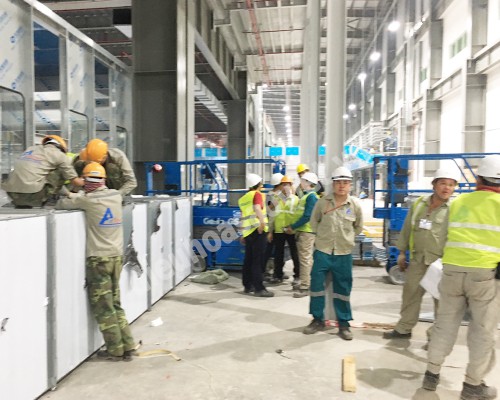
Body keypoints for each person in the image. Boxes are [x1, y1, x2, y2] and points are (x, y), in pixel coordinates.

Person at [422, 155, 500, 400]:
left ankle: (431, 374)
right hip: (485, 276)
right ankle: (472, 385)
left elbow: (444, 236)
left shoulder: (457, 203)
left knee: (445, 324)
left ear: (478, 180)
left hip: (452, 271)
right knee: (482, 331)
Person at [56, 162, 136, 361]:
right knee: (115, 303)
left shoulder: (88, 200)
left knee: (104, 307)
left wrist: (65, 191)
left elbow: (62, 204)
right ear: (103, 179)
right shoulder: (115, 196)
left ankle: (114, 350)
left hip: (99, 260)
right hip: (116, 257)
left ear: (86, 181)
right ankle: (128, 345)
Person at [383, 168, 459, 342]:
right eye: (443, 183)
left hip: (440, 263)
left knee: (441, 301)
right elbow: (407, 228)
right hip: (417, 260)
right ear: (434, 185)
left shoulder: (455, 208)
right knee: (410, 295)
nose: (447, 188)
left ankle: (436, 336)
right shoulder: (419, 204)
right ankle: (404, 328)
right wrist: (401, 252)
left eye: (451, 185)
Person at [302, 166, 363, 340]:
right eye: (338, 182)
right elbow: (314, 223)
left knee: (343, 289)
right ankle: (317, 319)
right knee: (316, 286)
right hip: (322, 252)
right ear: (333, 184)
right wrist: (323, 238)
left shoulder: (355, 205)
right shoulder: (322, 203)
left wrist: (346, 239)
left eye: (345, 182)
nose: (341, 186)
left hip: (343, 253)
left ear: (350, 185)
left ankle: (343, 324)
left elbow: (358, 227)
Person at [2, 135, 84, 208]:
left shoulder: (30, 149)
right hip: (34, 196)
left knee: (38, 173)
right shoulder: (60, 155)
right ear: (62, 148)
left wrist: (69, 194)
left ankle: (24, 202)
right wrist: (87, 180)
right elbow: (76, 182)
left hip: (12, 195)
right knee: (60, 170)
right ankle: (52, 199)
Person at [238, 173, 274, 297]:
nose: (262, 185)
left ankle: (248, 285)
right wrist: (262, 223)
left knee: (248, 259)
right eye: (261, 183)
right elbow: (257, 208)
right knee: (257, 260)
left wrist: (242, 233)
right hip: (258, 231)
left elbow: (242, 216)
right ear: (258, 184)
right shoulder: (257, 194)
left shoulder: (243, 198)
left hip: (248, 232)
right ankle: (259, 288)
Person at [285, 172, 319, 297]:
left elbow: (307, 216)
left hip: (306, 231)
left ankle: (305, 287)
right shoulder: (307, 196)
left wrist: (293, 226)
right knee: (306, 259)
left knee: (305, 260)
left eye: (303, 181)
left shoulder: (311, 197)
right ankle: (307, 283)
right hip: (304, 231)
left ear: (308, 183)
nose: (301, 183)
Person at [268, 175, 300, 284]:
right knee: (278, 254)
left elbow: (298, 215)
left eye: (288, 184)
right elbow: (271, 215)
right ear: (280, 186)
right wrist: (270, 231)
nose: (286, 186)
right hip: (279, 230)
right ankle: (278, 275)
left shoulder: (296, 199)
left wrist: (296, 228)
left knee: (295, 253)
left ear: (291, 186)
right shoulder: (276, 199)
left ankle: (298, 275)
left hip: (291, 230)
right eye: (284, 184)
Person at [264, 172, 284, 281]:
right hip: (271, 226)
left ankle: (278, 272)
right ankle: (263, 271)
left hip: (279, 227)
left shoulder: (282, 194)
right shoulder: (270, 195)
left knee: (279, 252)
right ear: (279, 184)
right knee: (268, 251)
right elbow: (268, 210)